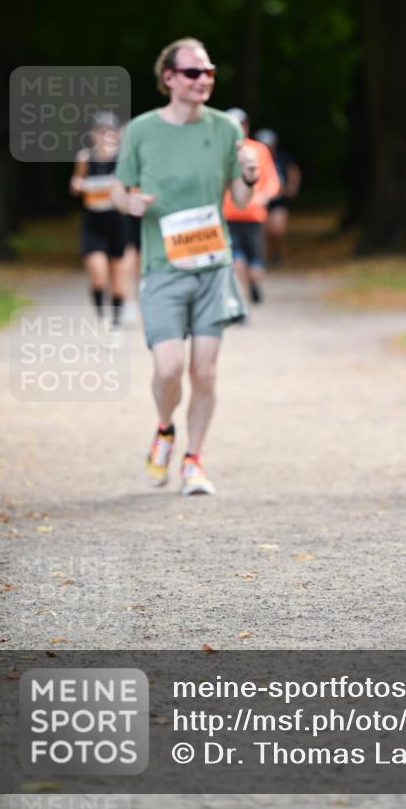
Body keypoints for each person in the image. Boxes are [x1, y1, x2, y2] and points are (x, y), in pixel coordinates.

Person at [111, 37, 258, 496]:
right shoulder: (141, 131)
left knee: (206, 372)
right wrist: (131, 203)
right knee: (170, 367)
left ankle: (194, 460)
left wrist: (250, 176)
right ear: (169, 78)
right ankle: (163, 428)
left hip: (214, 265)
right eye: (194, 73)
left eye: (209, 72)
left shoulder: (226, 130)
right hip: (162, 266)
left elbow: (239, 198)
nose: (204, 80)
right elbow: (119, 190)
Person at [69, 111, 127, 335]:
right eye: (100, 131)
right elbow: (76, 183)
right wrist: (77, 185)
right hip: (93, 222)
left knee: (117, 274)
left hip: (117, 222)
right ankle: (100, 316)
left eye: (109, 130)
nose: (105, 135)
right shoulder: (85, 157)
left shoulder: (123, 159)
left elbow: (132, 188)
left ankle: (117, 321)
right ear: (93, 134)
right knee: (97, 272)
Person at [222, 109, 281, 307]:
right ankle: (242, 301)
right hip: (229, 215)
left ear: (246, 126)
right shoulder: (220, 150)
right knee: (236, 260)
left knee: (255, 266)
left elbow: (272, 180)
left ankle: (254, 283)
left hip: (254, 216)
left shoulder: (259, 150)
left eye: (241, 124)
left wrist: (264, 196)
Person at [256, 128, 301, 264]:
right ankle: (264, 259)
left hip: (278, 200)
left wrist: (292, 187)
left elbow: (293, 171)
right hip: (261, 201)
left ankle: (279, 254)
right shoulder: (254, 157)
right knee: (264, 233)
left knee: (278, 230)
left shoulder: (282, 158)